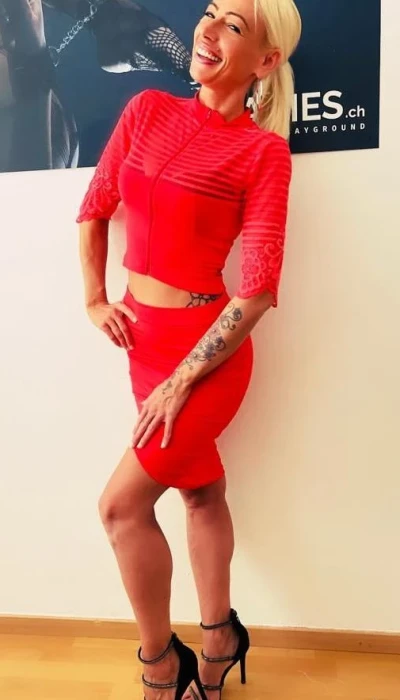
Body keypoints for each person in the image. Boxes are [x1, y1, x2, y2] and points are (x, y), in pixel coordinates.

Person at [77, 0, 302, 698]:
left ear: (266, 60)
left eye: (234, 25)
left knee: (120, 508)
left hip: (206, 357)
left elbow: (257, 290)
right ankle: (221, 637)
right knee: (201, 492)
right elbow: (94, 207)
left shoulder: (262, 152)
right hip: (141, 342)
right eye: (210, 13)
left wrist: (181, 379)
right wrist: (94, 298)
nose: (208, 29)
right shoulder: (146, 109)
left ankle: (160, 665)